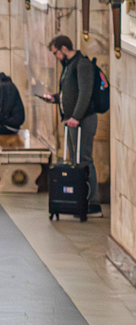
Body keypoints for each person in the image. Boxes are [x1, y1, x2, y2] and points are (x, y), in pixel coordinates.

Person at [43, 35, 101, 216]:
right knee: (75, 162)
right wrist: (55, 98)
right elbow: (70, 92)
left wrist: (76, 116)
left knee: (84, 160)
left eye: (55, 53)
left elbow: (85, 92)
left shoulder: (82, 64)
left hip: (83, 120)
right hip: (71, 121)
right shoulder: (68, 66)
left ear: (63, 48)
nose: (55, 56)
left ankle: (93, 203)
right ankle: (77, 200)